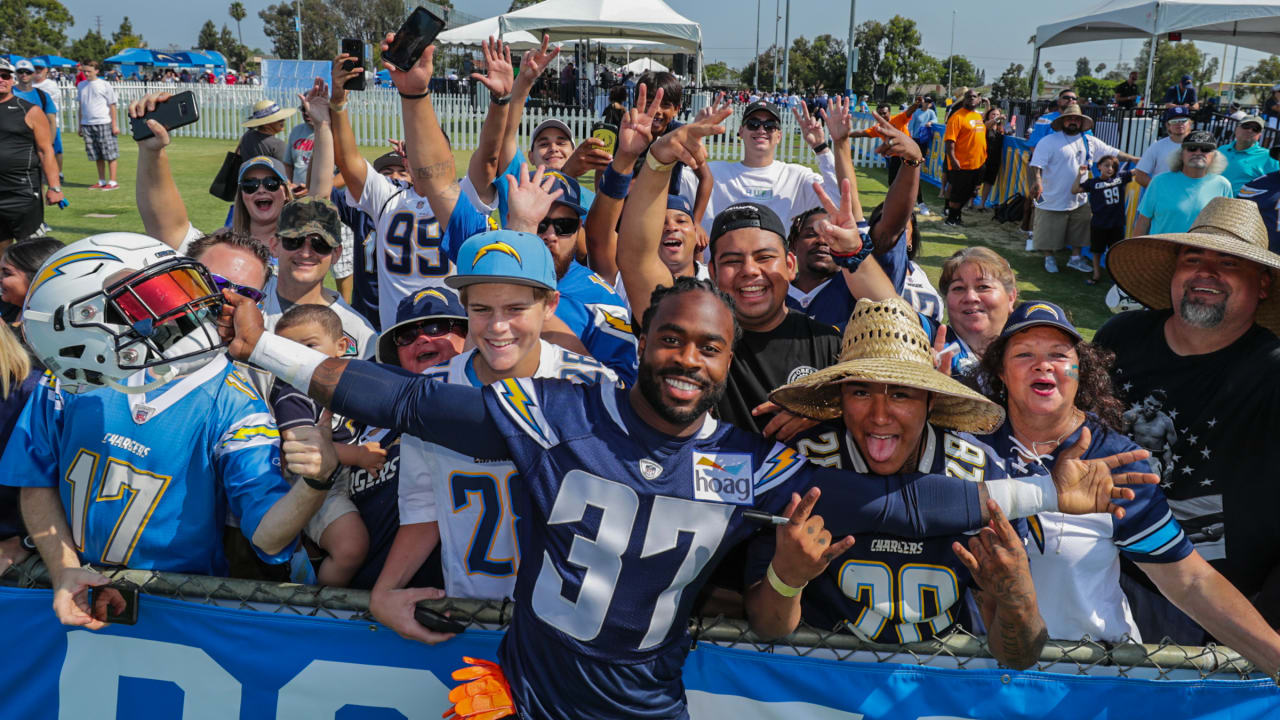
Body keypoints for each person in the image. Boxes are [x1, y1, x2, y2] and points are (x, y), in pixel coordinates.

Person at [220, 261, 1152, 719]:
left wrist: (1048, 501)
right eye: (672, 340)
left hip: (647, 707)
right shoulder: (554, 414)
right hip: (531, 698)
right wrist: (267, 345)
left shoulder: (746, 463)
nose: (687, 360)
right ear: (644, 340)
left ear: (727, 360)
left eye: (709, 348)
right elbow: (413, 402)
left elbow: (895, 506)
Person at [1, 232, 337, 631]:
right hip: (73, 588)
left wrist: (314, 484)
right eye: (211, 284)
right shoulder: (85, 363)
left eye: (242, 294)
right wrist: (64, 570)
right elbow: (35, 479)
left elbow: (266, 535)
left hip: (177, 604)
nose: (220, 303)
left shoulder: (235, 401)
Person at [980, 301, 1280, 675]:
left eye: (1059, 355)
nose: (1044, 365)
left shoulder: (1113, 457)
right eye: (1024, 354)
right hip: (972, 670)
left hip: (1089, 674)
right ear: (1001, 372)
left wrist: (1275, 657)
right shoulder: (971, 444)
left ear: (1080, 371)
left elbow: (1187, 579)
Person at [755, 297, 1050, 669]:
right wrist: (787, 578)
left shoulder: (981, 473)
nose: (880, 415)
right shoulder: (805, 463)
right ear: (841, 398)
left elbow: (1018, 656)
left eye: (901, 393)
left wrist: (1017, 599)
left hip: (938, 686)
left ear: (930, 401)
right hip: (822, 682)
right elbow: (767, 626)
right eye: (861, 392)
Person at [373, 231, 616, 642]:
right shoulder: (432, 390)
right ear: (465, 309)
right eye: (482, 309)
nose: (498, 326)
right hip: (472, 617)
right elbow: (422, 507)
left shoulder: (594, 387)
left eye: (517, 308)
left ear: (549, 305)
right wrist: (384, 591)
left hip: (574, 625)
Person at [1099, 197, 1280, 642]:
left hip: (1209, 610)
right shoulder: (1120, 337)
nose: (1206, 271)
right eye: (1193, 257)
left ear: (1262, 286)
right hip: (1096, 572)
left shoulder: (1273, 372)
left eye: (1230, 263)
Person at [330, 53, 486, 330]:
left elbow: (490, 158)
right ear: (405, 160)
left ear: (448, 158)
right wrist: (339, 104)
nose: (423, 161)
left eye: (430, 154)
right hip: (397, 335)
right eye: (415, 154)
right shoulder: (388, 196)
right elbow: (349, 162)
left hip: (454, 331)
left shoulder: (466, 194)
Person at [347, 288, 469, 592]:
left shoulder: (483, 410)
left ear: (470, 337)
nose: (422, 339)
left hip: (448, 601)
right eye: (406, 336)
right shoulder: (364, 418)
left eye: (436, 327)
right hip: (355, 600)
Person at [269, 304, 377, 587]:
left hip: (344, 478)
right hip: (313, 487)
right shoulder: (293, 390)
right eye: (286, 348)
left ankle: (309, 554)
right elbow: (304, 450)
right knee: (351, 547)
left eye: (309, 345)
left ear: (341, 346)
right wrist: (360, 455)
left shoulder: (348, 380)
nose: (297, 356)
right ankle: (319, 598)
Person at [130, 91, 298, 254]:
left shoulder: (305, 247)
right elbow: (172, 231)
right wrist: (151, 153)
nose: (261, 189)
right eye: (250, 185)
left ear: (286, 191)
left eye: (272, 183)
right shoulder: (220, 249)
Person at [694, 98, 840, 233]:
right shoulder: (713, 173)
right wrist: (693, 133)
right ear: (741, 131)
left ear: (779, 136)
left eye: (770, 126)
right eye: (753, 124)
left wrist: (821, 148)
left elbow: (838, 199)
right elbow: (674, 178)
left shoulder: (797, 177)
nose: (761, 130)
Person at [1029, 104, 1136, 274]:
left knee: (1080, 230)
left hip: (1079, 197)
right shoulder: (1048, 141)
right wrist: (1038, 181)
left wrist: (1136, 159)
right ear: (1063, 121)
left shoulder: (1090, 141)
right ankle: (1049, 257)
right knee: (1048, 230)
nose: (1073, 122)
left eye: (1076, 119)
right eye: (1070, 118)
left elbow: (1113, 152)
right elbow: (1037, 164)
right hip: (1052, 196)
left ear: (1081, 122)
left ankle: (1075, 258)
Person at [262, 198, 376, 359]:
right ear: (274, 246)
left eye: (320, 244)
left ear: (336, 253)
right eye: (294, 241)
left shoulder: (359, 332)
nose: (306, 253)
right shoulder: (250, 305)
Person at [930, 246, 1019, 381]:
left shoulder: (1031, 354)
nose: (970, 297)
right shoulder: (929, 339)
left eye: (983, 287)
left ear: (1011, 297)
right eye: (958, 288)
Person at [0, 58, 61, 242]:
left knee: (28, 248)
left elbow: (45, 151)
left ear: (12, 80)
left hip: (22, 191)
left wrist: (54, 187)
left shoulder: (29, 111)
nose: (1, 80)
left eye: (5, 76)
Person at [1133, 131, 1233, 237]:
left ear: (1214, 156)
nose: (1198, 153)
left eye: (1206, 149)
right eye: (1192, 148)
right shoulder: (1159, 181)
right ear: (1181, 154)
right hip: (1161, 250)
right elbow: (1143, 222)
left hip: (1201, 252)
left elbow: (1226, 227)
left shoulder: (1223, 185)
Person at [1073, 154, 1133, 285]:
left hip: (1116, 223)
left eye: (1113, 166)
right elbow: (1074, 190)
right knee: (1097, 250)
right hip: (1099, 223)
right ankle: (1096, 274)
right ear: (1099, 166)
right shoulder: (1093, 183)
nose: (1110, 169)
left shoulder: (1120, 178)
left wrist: (1138, 159)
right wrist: (1080, 174)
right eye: (1106, 165)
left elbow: (1138, 171)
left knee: (1116, 250)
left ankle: (1115, 276)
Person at [13, 59, 58, 193]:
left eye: (27, 72)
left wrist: (49, 145)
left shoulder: (42, 95)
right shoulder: (8, 93)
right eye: (21, 72)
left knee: (39, 182)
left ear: (33, 74)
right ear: (16, 74)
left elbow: (51, 121)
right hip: (15, 145)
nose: (24, 75)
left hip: (37, 144)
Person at [942, 89, 986, 227]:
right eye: (968, 97)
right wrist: (953, 159)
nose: (971, 99)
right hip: (962, 164)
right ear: (964, 100)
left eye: (974, 97)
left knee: (970, 193)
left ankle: (957, 216)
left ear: (979, 100)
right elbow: (950, 141)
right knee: (957, 193)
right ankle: (951, 219)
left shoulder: (978, 116)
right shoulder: (957, 117)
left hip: (977, 163)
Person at [76, 60, 120, 191]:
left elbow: (112, 105)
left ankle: (112, 182)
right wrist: (80, 125)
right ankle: (101, 181)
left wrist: (114, 125)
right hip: (87, 124)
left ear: (96, 71)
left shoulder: (104, 85)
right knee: (96, 154)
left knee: (110, 153)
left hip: (103, 122)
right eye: (84, 71)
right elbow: (80, 106)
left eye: (89, 71)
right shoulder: (81, 85)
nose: (86, 73)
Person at [0, 237, 63, 326]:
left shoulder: (50, 328)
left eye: (7, 273)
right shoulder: (7, 306)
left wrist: (4, 331)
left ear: (37, 278)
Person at [1217, 115, 1279, 194]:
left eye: (1256, 129)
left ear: (1259, 135)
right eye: (1246, 126)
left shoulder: (1269, 157)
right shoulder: (1221, 150)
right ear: (1236, 129)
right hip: (1212, 202)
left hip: (1243, 205)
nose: (1250, 130)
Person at [1134, 107, 1193, 188]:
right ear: (1168, 126)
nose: (1179, 123)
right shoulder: (1157, 147)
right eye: (1174, 121)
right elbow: (1140, 175)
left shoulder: (1200, 147)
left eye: (1183, 120)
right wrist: (1160, 191)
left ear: (1190, 123)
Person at [29, 60, 62, 180]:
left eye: (40, 68)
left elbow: (52, 106)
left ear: (46, 70)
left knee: (55, 149)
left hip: (50, 123)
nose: (37, 71)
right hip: (34, 123)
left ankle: (58, 173)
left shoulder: (50, 85)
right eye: (35, 68)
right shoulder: (29, 84)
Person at [979, 106, 1014, 211]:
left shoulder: (1001, 129)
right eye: (993, 114)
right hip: (982, 158)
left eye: (997, 114)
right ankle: (970, 203)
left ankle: (982, 204)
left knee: (989, 182)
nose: (995, 116)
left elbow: (1009, 135)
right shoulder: (984, 125)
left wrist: (1012, 130)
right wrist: (996, 119)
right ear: (989, 115)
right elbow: (988, 125)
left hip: (994, 159)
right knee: (977, 182)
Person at [908, 95, 938, 215]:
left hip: (924, 140)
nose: (927, 103)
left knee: (919, 164)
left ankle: (919, 200)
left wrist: (930, 122)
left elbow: (935, 120)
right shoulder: (916, 112)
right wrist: (909, 138)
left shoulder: (931, 112)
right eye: (926, 101)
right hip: (915, 139)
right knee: (913, 165)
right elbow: (911, 126)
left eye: (929, 102)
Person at [238, 98, 293, 163]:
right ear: (266, 124)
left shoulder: (247, 136)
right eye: (279, 119)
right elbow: (286, 169)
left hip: (247, 173)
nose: (283, 120)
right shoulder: (278, 145)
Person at [283, 102, 317, 190]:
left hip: (324, 195)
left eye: (310, 108)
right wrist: (289, 185)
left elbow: (344, 174)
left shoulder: (334, 132)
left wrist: (315, 189)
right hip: (298, 192)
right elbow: (288, 164)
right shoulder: (296, 131)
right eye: (303, 109)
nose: (306, 113)